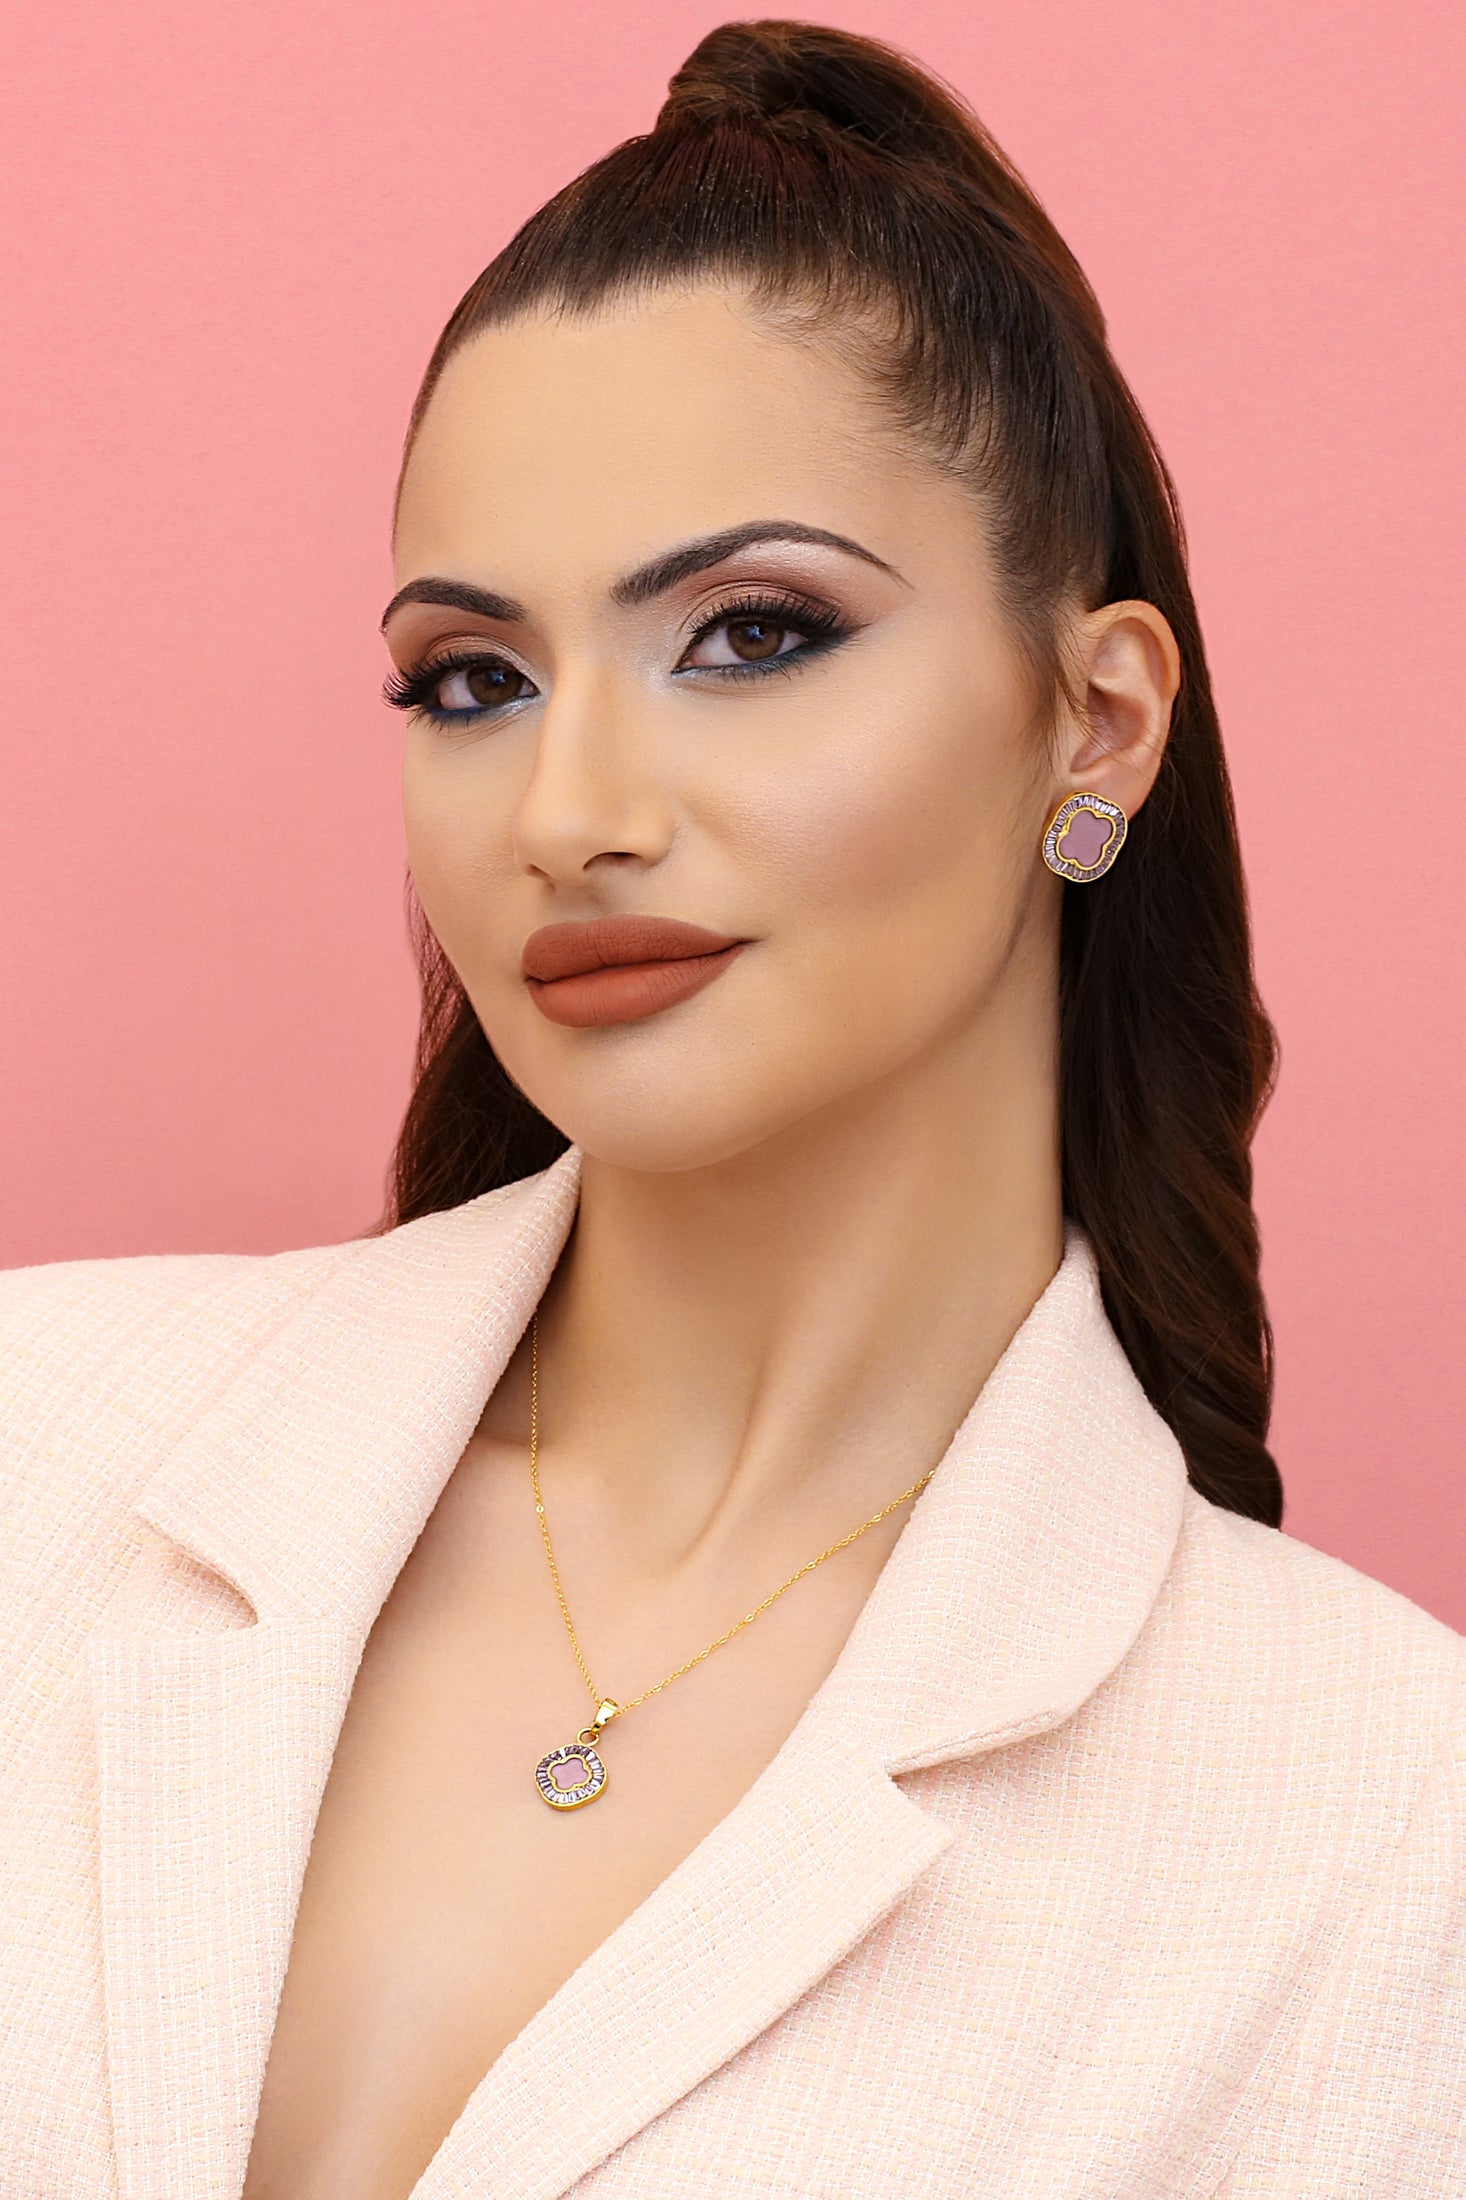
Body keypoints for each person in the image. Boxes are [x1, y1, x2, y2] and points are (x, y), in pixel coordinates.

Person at [1, 18, 1461, 2199]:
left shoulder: (1377, 1838)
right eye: (473, 679)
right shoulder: (38, 1445)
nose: (568, 812)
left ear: (1095, 721)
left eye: (752, 633)